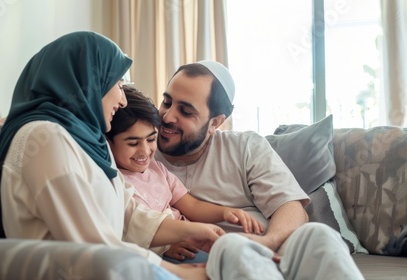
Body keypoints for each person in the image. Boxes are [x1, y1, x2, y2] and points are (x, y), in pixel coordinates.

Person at [0, 32, 226, 280]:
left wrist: (192, 231)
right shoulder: (43, 138)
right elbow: (89, 243)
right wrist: (173, 271)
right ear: (86, 80)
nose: (123, 99)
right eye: (118, 84)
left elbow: (129, 216)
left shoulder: (92, 142)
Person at [154, 60, 366, 279]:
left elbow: (291, 207)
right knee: (233, 247)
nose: (168, 117)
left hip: (268, 253)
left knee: (320, 234)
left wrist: (267, 242)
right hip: (215, 263)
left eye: (186, 111)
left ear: (215, 123)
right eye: (166, 102)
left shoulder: (244, 146)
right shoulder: (136, 153)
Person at [105, 85, 264, 263]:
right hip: (163, 255)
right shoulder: (113, 183)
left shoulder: (158, 170)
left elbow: (193, 206)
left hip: (192, 242)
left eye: (151, 139)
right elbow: (125, 232)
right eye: (133, 143)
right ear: (108, 143)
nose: (144, 151)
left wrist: (225, 212)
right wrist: (165, 247)